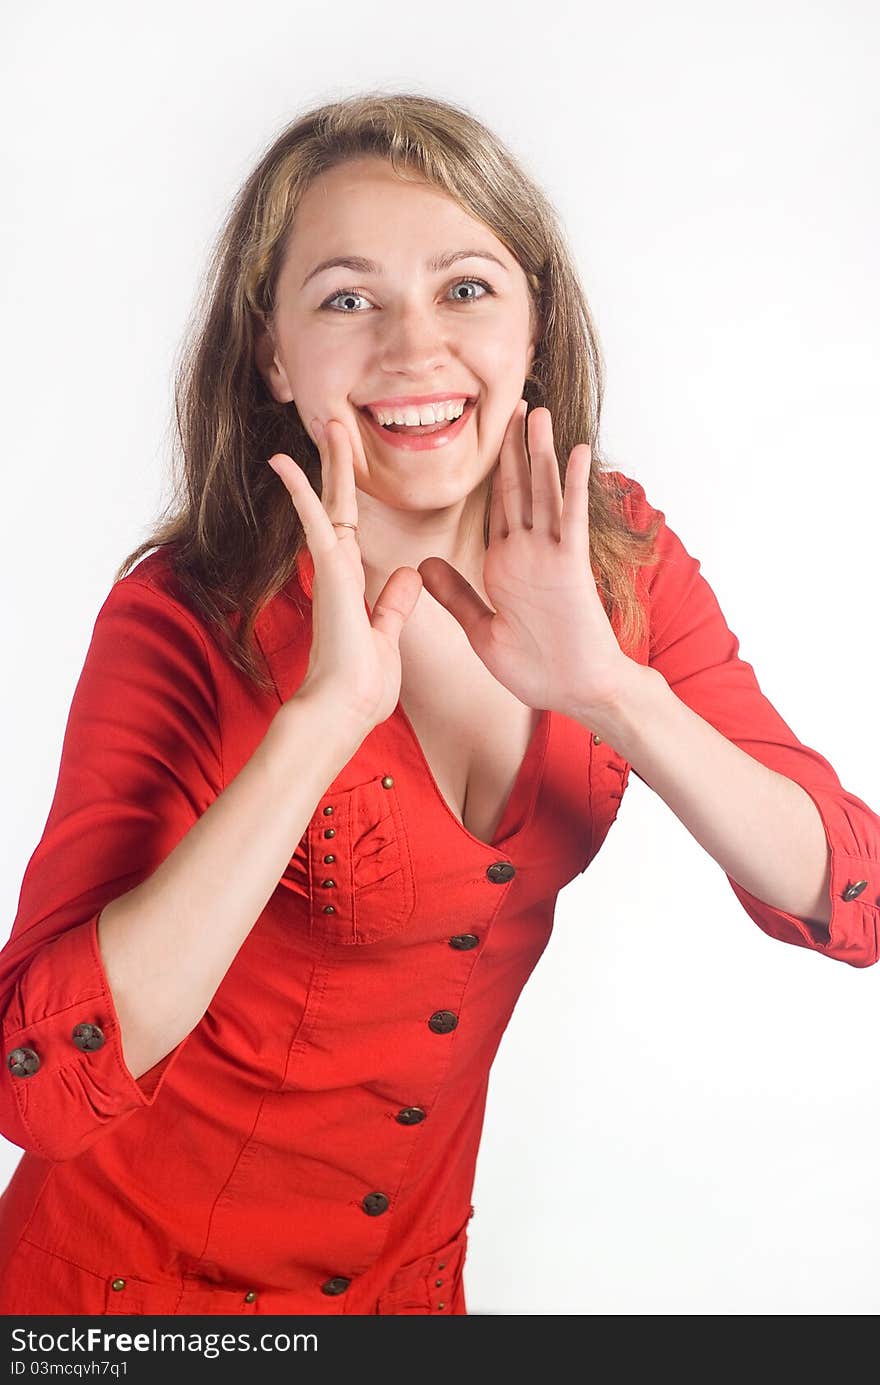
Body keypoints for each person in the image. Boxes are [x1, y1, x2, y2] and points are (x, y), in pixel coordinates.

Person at [0, 90, 877, 1318]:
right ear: (271, 352)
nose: (413, 350)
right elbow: (37, 1081)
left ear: (533, 319)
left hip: (408, 1294)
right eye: (347, 299)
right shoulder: (183, 613)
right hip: (122, 1303)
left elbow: (848, 891)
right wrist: (315, 727)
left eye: (465, 287)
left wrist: (611, 692)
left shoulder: (615, 557)